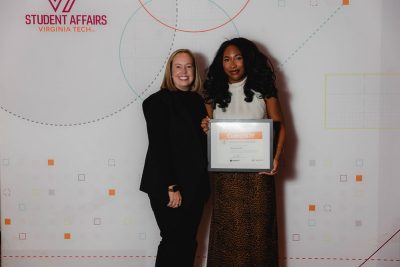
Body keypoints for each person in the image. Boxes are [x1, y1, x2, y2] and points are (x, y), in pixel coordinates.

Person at [201, 37, 286, 267]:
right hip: (225, 178)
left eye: (238, 58)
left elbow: (280, 126)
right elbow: (208, 131)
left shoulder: (264, 90)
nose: (233, 64)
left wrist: (275, 158)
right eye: (226, 59)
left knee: (260, 236)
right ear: (221, 64)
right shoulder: (211, 93)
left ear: (247, 60)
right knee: (227, 236)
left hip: (259, 178)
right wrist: (206, 127)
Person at [140, 49, 210, 267]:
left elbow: (196, 145)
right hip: (168, 185)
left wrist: (210, 130)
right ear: (170, 72)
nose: (184, 71)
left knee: (188, 242)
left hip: (195, 186)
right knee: (173, 241)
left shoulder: (199, 102)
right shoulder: (156, 102)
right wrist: (171, 186)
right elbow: (159, 146)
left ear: (194, 71)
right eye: (178, 66)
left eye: (188, 66)